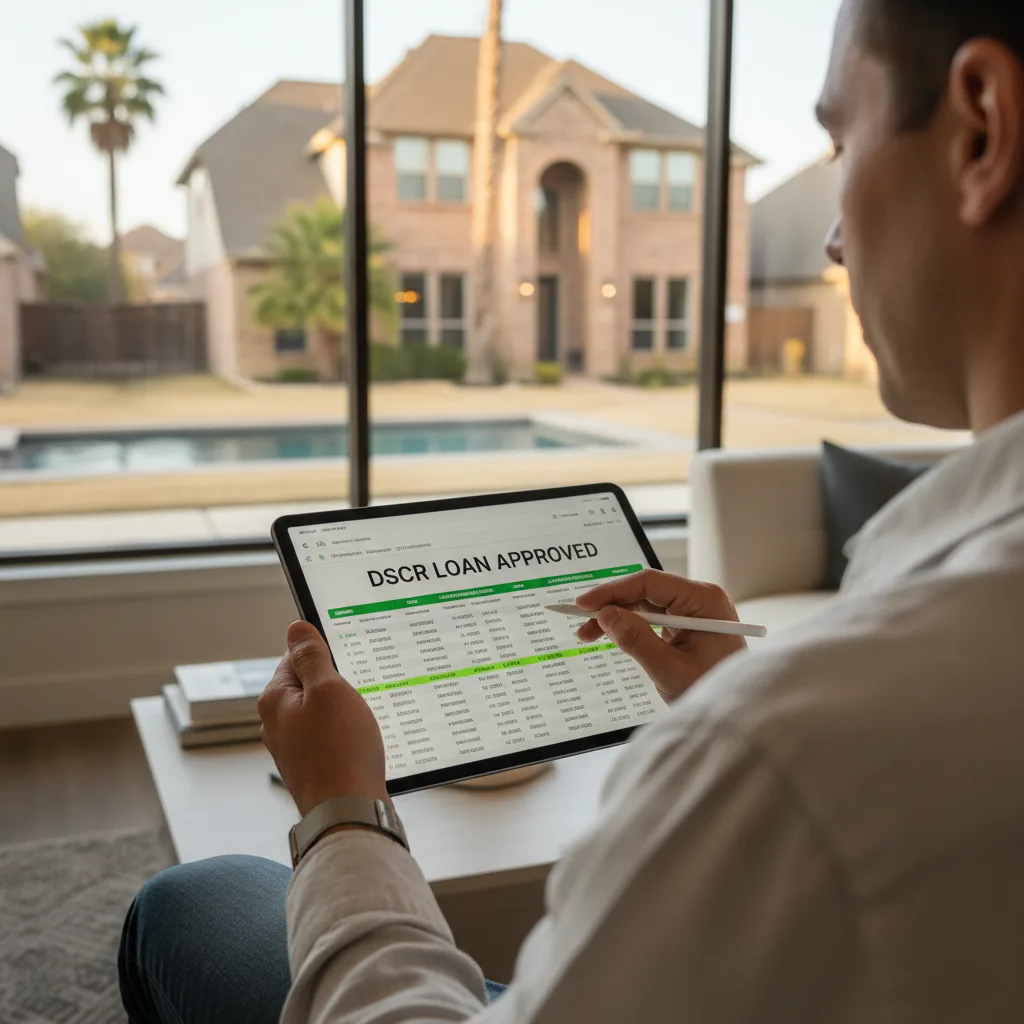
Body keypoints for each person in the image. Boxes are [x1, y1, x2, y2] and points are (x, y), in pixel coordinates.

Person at [119, 0, 1024, 1020]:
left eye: (837, 140)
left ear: (981, 130)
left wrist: (341, 810)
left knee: (189, 901)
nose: (827, 240)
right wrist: (739, 694)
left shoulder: (789, 760)